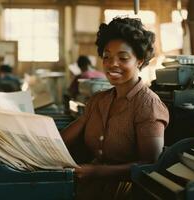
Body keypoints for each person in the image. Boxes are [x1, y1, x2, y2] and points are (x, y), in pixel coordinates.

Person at [61, 17, 169, 200]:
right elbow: (62, 141)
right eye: (107, 56)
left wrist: (99, 172)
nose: (112, 64)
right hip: (92, 188)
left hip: (129, 193)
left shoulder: (148, 106)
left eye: (123, 58)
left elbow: (150, 165)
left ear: (140, 61)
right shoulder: (98, 101)